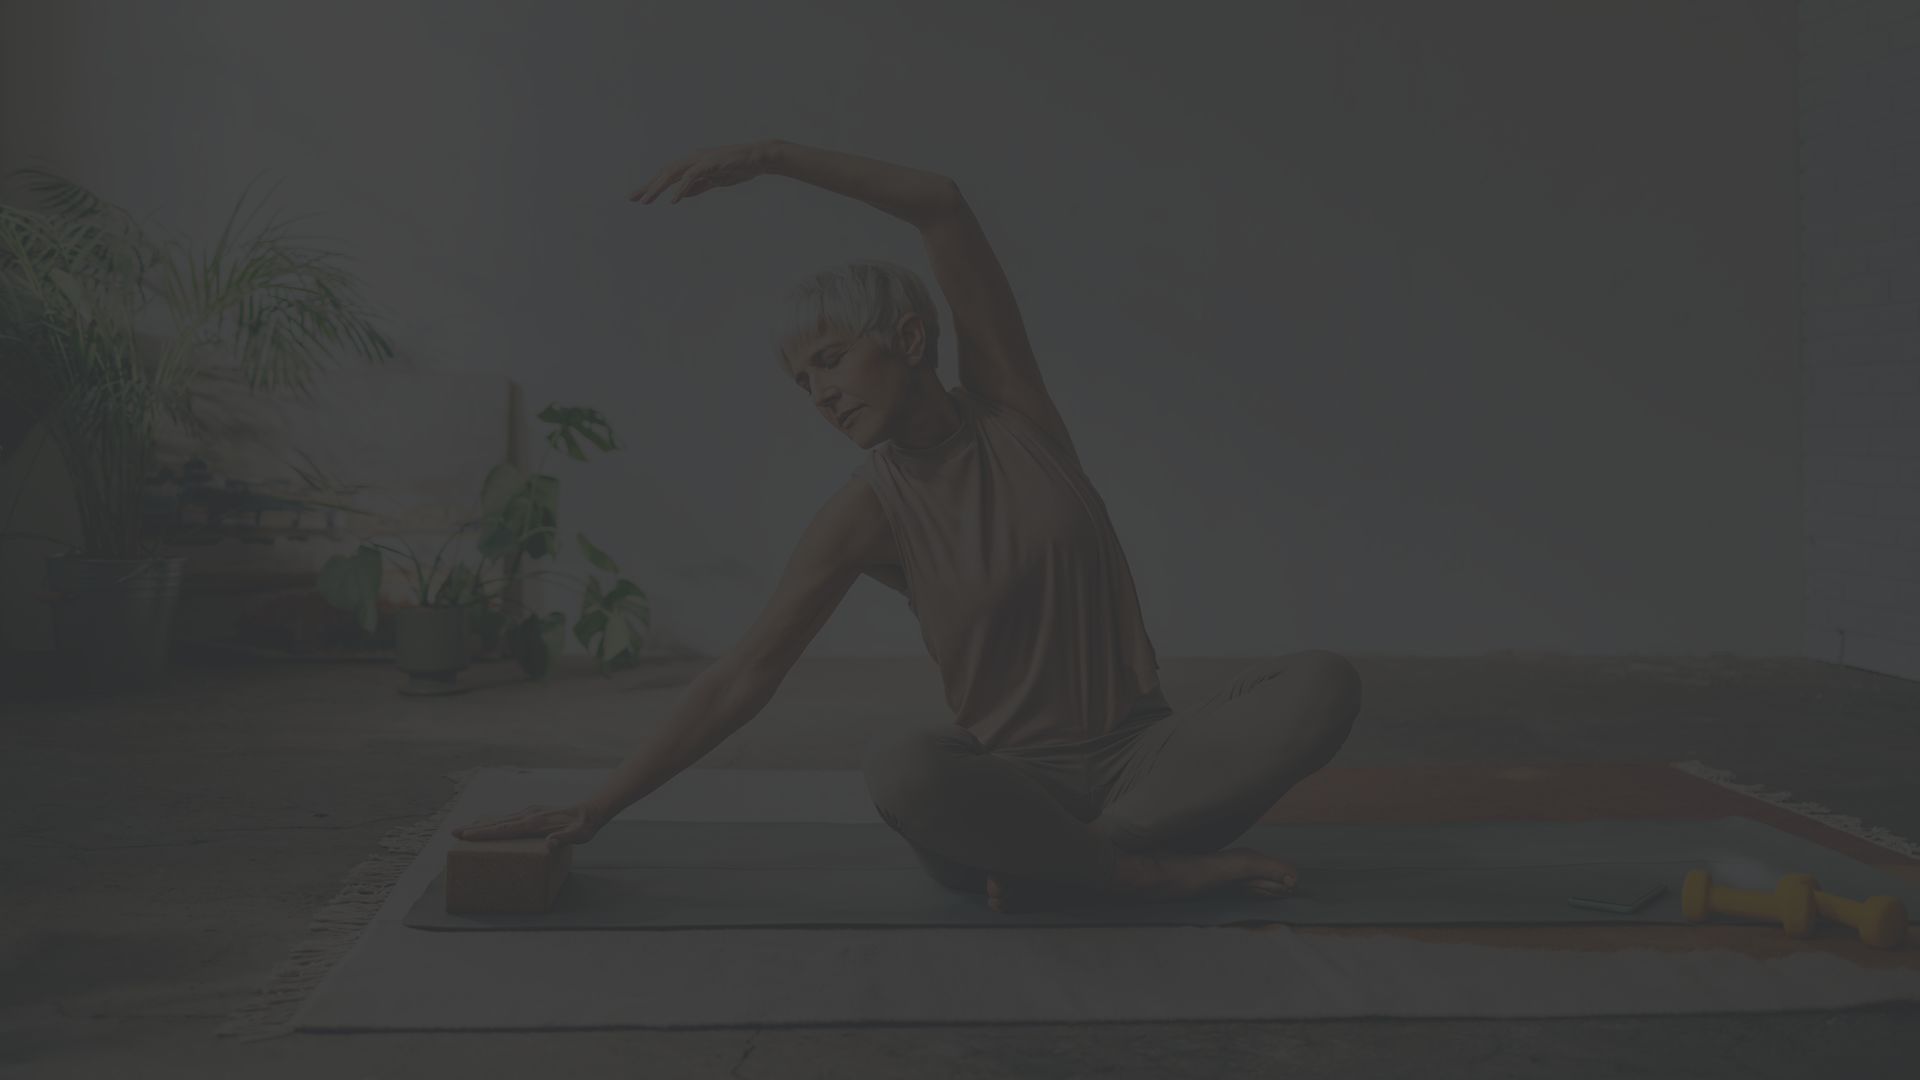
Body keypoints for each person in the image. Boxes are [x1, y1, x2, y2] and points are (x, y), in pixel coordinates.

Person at [455, 139, 1362, 913]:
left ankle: (1085, 868)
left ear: (910, 338)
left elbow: (942, 205)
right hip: (1010, 788)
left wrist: (765, 157)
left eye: (833, 359)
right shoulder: (865, 513)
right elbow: (742, 678)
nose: (821, 394)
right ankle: (1126, 870)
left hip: (1144, 760)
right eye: (803, 382)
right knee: (903, 766)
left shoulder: (1017, 411)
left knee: (1320, 682)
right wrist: (596, 807)